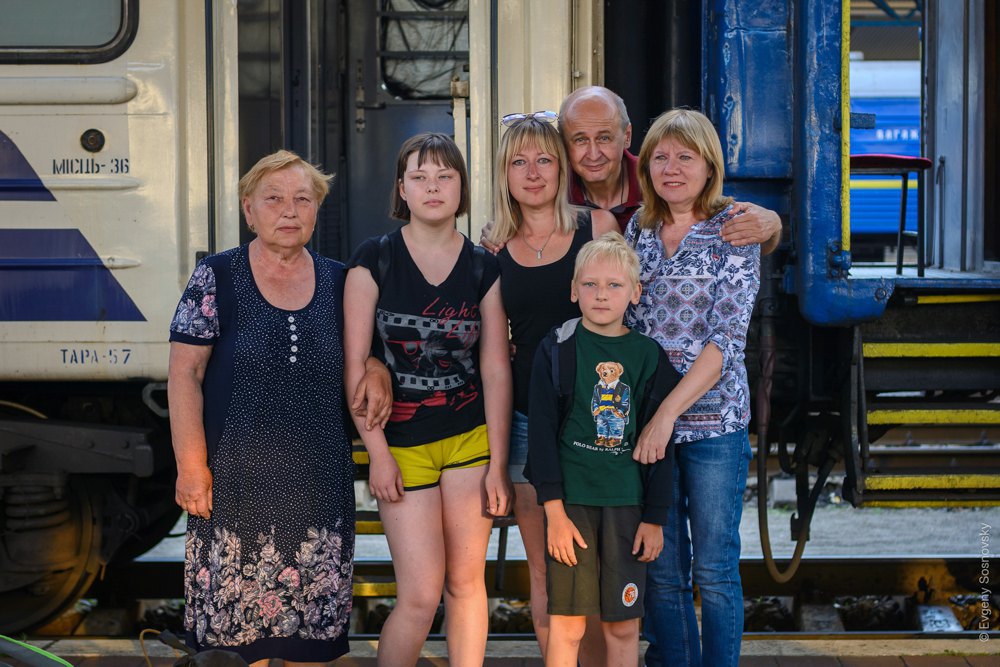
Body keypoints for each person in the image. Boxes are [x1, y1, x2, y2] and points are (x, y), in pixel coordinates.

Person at [168, 150, 392, 666]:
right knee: (232, 646)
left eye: (303, 199)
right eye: (274, 199)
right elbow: (185, 373)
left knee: (307, 645)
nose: (289, 211)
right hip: (232, 488)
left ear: (317, 210)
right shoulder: (216, 275)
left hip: (316, 488)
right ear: (249, 209)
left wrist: (377, 368)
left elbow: (368, 353)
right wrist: (190, 465)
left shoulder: (342, 280)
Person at [343, 132, 513, 667]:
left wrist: (499, 466)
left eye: (445, 176)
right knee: (419, 596)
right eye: (419, 176)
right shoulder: (375, 258)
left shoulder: (484, 267)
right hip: (403, 445)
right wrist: (378, 453)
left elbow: (494, 367)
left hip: (469, 439)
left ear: (462, 187)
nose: (432, 186)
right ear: (402, 189)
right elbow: (354, 364)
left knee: (466, 587)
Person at [624, 109, 761, 667]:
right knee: (661, 566)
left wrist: (665, 415)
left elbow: (726, 341)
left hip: (712, 426)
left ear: (709, 165)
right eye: (660, 156)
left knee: (714, 569)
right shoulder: (639, 230)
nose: (672, 168)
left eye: (686, 156)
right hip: (650, 427)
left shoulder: (734, 228)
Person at [488, 111, 617, 661]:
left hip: (596, 420)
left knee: (598, 570)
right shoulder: (491, 247)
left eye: (544, 159)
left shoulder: (599, 227)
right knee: (546, 570)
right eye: (520, 161)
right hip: (525, 424)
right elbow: (491, 350)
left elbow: (625, 322)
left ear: (562, 168)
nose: (533, 172)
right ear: (505, 174)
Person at [525, 232, 682, 667]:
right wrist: (553, 513)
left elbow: (659, 444)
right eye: (590, 285)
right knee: (568, 624)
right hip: (571, 507)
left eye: (614, 285)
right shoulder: (557, 349)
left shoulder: (648, 356)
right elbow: (540, 435)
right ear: (573, 290)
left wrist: (654, 517)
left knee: (622, 625)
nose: (601, 295)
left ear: (635, 292)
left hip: (627, 508)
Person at [484, 86, 782, 255]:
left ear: (626, 136)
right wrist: (497, 232)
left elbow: (715, 221)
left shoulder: (660, 177)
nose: (593, 153)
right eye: (579, 140)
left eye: (604, 138)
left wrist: (772, 225)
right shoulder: (551, 186)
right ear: (563, 144)